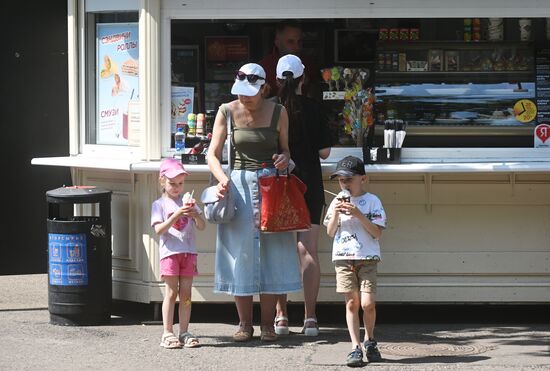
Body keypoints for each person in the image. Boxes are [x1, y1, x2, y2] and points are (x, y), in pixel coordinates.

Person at [206, 63, 302, 343]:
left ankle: (268, 325)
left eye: (250, 92)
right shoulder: (227, 110)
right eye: (240, 92)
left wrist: (284, 159)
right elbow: (212, 154)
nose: (244, 98)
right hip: (238, 184)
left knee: (272, 253)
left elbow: (285, 149)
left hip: (271, 184)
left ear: (263, 87)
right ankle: (245, 324)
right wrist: (222, 178)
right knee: (241, 253)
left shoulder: (279, 112)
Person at [272, 54, 332, 337]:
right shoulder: (313, 108)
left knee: (282, 250)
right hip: (309, 183)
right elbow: (324, 152)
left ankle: (281, 316)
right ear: (303, 78)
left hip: (279, 183)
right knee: (308, 251)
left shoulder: (269, 110)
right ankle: (310, 318)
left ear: (275, 79)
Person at [323, 155, 386, 367]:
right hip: (343, 258)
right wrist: (336, 215)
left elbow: (377, 233)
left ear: (363, 179)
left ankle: (370, 339)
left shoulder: (373, 201)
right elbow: (330, 232)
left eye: (349, 179)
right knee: (352, 303)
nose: (345, 184)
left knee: (368, 303)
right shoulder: (336, 201)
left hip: (367, 258)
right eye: (341, 180)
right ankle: (355, 347)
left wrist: (358, 214)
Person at [151, 158, 206, 349]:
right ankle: (167, 332)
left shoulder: (188, 202)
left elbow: (202, 226)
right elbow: (158, 230)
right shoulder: (159, 204)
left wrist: (195, 214)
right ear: (162, 181)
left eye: (180, 184)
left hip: (189, 253)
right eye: (172, 183)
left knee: (186, 293)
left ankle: (184, 331)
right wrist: (176, 215)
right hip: (170, 253)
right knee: (171, 292)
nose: (176, 188)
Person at [258, 20, 320, 99]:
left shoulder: (309, 63)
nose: (297, 47)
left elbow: (318, 95)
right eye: (291, 42)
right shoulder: (263, 68)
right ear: (277, 42)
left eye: (299, 41)